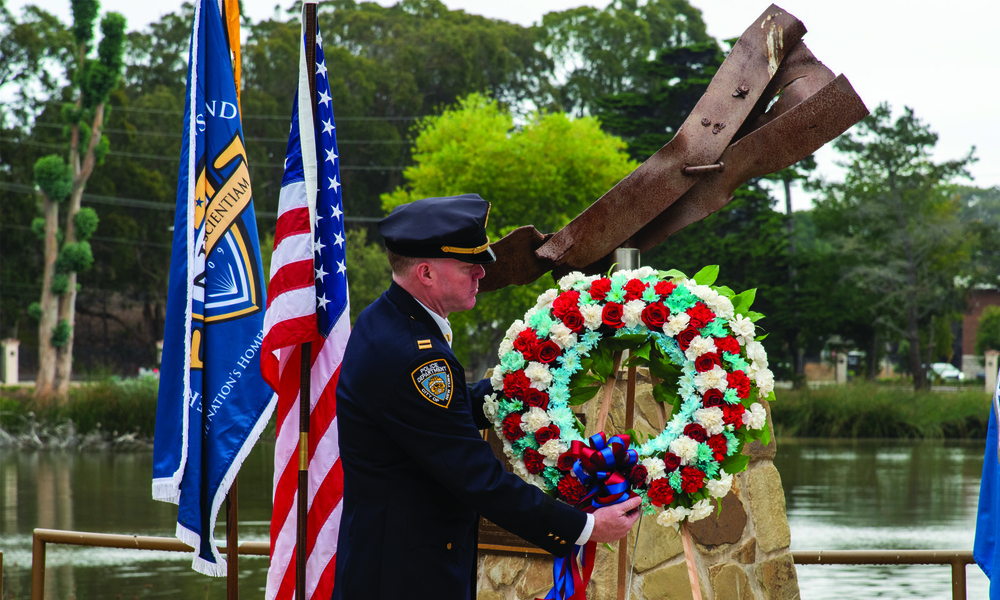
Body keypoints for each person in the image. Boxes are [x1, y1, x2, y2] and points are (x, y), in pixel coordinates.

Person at [332, 194, 640, 600]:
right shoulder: (415, 358)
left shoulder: (386, 317)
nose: (481, 273)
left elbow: (442, 414)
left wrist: (529, 382)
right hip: (406, 577)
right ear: (425, 272)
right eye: (468, 265)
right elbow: (478, 478)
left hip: (396, 562)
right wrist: (586, 527)